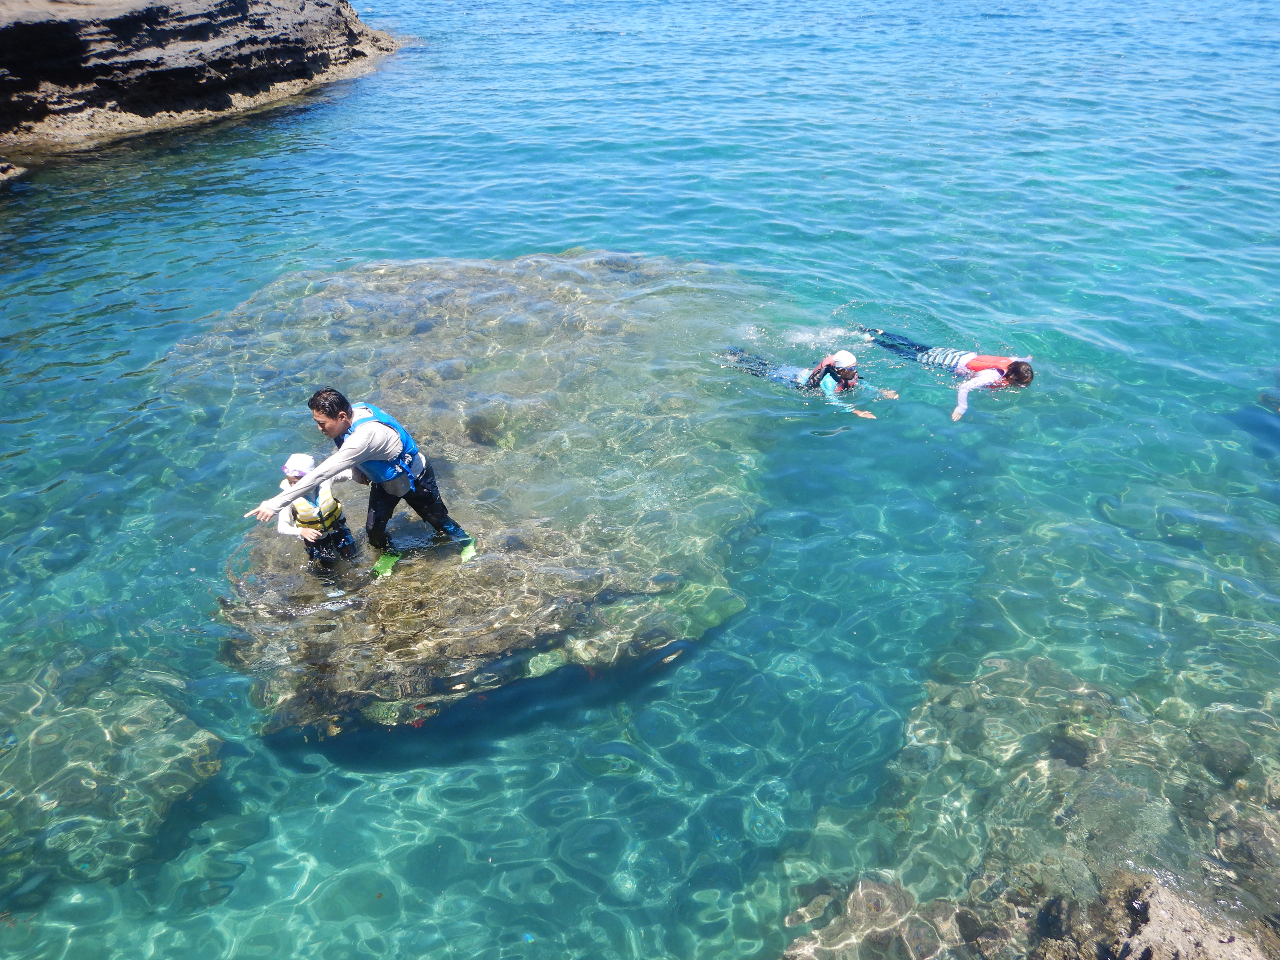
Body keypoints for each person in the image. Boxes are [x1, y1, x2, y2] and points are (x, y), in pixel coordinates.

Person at [245, 388, 472, 555]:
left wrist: (275, 504)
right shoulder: (357, 410)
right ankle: (389, 554)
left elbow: (321, 474)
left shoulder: (364, 437)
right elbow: (351, 452)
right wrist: (357, 469)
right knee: (373, 529)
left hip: (415, 478)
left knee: (438, 520)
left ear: (342, 416)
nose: (319, 428)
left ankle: (465, 542)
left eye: (322, 423)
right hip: (385, 482)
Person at [858, 327, 1033, 420]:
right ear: (1010, 376)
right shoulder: (992, 376)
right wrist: (961, 407)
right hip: (948, 362)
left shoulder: (1012, 363)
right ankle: (874, 340)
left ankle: (879, 332)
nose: (1019, 386)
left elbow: (1017, 359)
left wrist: (1028, 358)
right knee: (908, 354)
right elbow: (964, 386)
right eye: (1018, 383)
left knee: (916, 345)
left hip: (959, 354)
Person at [722, 347, 897, 419]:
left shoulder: (850, 374)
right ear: (840, 369)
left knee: (768, 367)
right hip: (792, 378)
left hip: (799, 373)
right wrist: (854, 411)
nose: (854, 371)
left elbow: (860, 384)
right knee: (764, 371)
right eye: (851, 368)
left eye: (854, 367)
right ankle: (736, 359)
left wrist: (880, 391)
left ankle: (742, 356)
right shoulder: (829, 382)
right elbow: (831, 400)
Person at [274, 453, 359, 567]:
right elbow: (282, 527)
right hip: (315, 537)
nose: (294, 487)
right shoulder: (287, 497)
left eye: (297, 482)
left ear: (312, 476)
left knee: (351, 555)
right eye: (290, 482)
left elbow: (349, 474)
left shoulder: (325, 480)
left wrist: (363, 476)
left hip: (336, 527)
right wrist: (301, 532)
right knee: (326, 566)